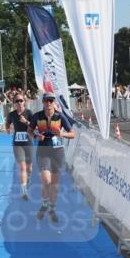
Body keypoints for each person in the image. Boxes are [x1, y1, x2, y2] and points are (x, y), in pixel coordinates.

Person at [29, 93, 75, 222]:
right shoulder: (37, 116)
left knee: (54, 185)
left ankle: (52, 209)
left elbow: (73, 134)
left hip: (57, 153)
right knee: (46, 181)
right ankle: (44, 204)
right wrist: (36, 136)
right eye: (46, 100)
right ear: (43, 102)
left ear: (54, 102)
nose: (48, 103)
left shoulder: (60, 117)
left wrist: (62, 133)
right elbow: (30, 131)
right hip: (43, 151)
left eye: (51, 100)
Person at [5, 93, 34, 199]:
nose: (19, 103)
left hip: (28, 142)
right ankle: (24, 192)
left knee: (29, 168)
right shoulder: (12, 114)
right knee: (22, 167)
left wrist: (26, 122)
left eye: (21, 100)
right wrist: (7, 128)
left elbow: (35, 127)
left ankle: (28, 178)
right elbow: (7, 123)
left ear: (24, 101)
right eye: (17, 101)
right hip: (17, 143)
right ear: (14, 103)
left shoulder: (29, 113)